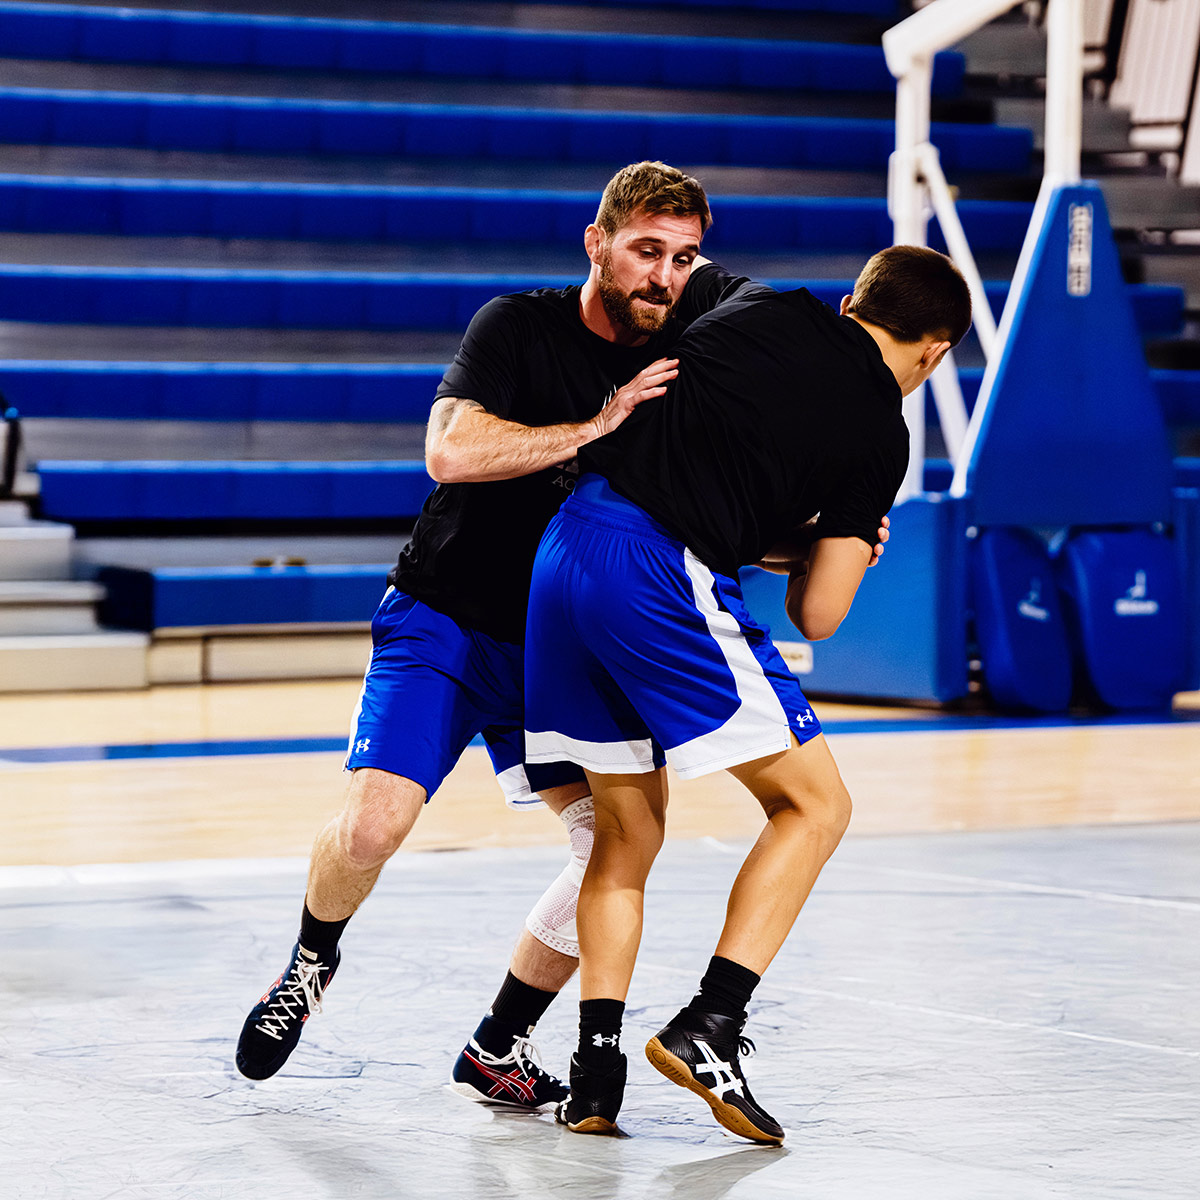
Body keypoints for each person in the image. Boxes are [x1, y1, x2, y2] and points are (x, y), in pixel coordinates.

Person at [234, 161, 764, 1105]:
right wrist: (598, 424)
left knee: (613, 846)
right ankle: (310, 966)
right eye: (647, 251)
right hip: (446, 615)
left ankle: (496, 1046)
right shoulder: (517, 324)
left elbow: (704, 506)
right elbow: (449, 448)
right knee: (374, 825)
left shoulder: (684, 359)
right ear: (596, 243)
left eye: (684, 259)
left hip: (559, 645)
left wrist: (817, 540)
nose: (665, 278)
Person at [522, 244, 972, 1140]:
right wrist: (836, 547)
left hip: (563, 550)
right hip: (653, 571)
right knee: (816, 806)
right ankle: (712, 1023)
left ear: (853, 301)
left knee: (625, 829)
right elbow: (819, 614)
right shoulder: (881, 433)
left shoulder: (760, 301)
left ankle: (595, 1074)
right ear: (934, 352)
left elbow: (687, 299)